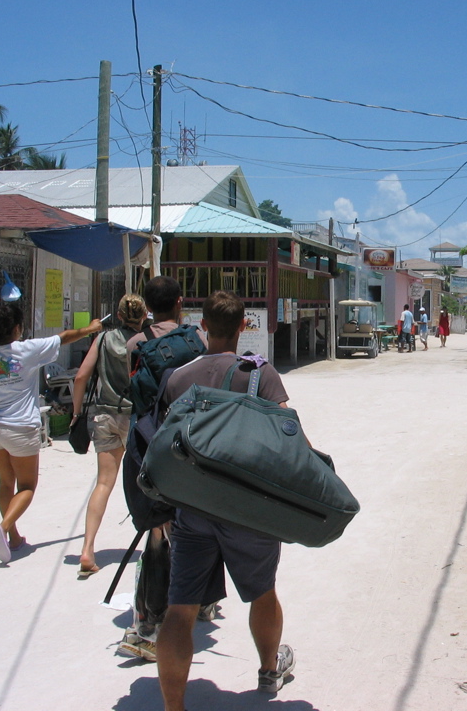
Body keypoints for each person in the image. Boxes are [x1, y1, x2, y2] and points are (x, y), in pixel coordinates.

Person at [156, 290, 296, 708]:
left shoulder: (180, 378)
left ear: (203, 327)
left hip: (194, 506)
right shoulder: (261, 373)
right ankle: (270, 672)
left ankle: (173, 706)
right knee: (262, 593)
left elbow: (166, 445)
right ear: (243, 326)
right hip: (248, 508)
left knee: (180, 609)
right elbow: (290, 438)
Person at [0, 303, 102, 564]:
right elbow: (64, 337)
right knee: (27, 486)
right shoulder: (28, 349)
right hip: (21, 429)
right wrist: (90, 329)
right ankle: (6, 526)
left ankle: (14, 538)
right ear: (17, 328)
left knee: (5, 482)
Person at [117, 276, 211, 662]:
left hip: (150, 444)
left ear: (149, 307)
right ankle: (202, 602)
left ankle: (151, 617)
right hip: (191, 443)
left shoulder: (135, 344)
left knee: (157, 532)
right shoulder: (197, 341)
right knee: (196, 525)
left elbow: (137, 394)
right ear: (179, 302)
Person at [72, 293, 148, 578]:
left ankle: (88, 549)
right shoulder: (143, 341)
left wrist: (77, 413)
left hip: (104, 414)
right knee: (147, 481)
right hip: (135, 416)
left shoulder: (102, 340)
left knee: (103, 483)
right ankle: (156, 542)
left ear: (117, 315)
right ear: (143, 316)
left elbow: (81, 377)